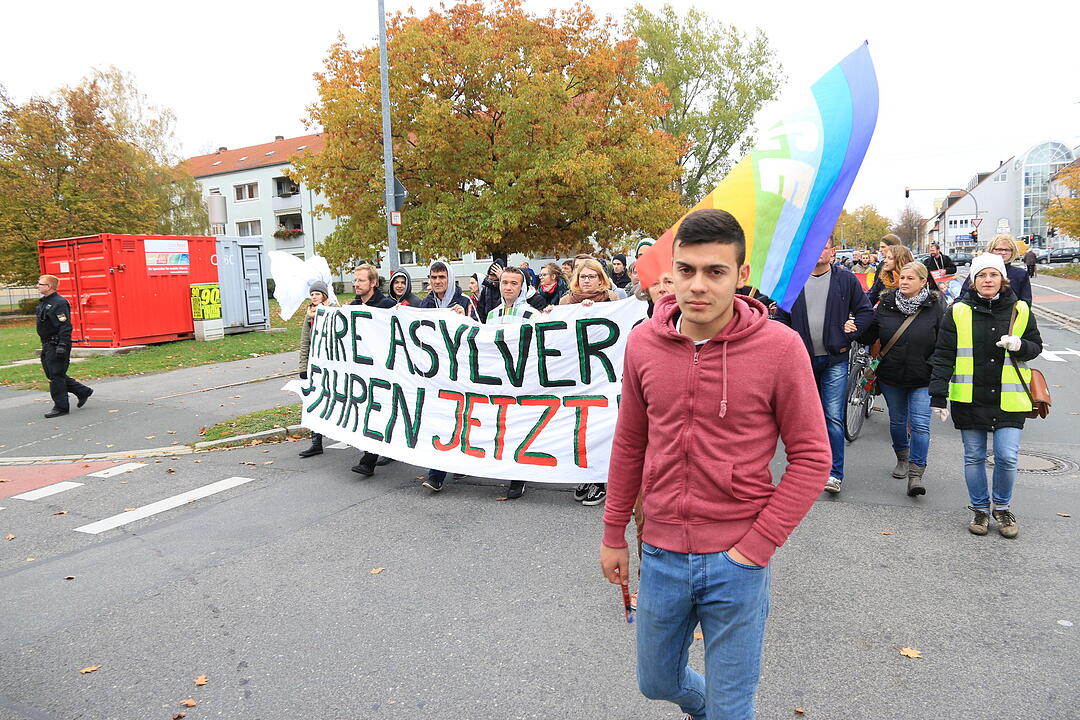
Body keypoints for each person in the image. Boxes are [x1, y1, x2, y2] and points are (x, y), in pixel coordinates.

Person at [600, 209, 830, 720]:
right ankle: (700, 706)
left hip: (738, 560)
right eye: (686, 270)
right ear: (671, 270)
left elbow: (814, 457)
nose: (697, 285)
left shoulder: (779, 348)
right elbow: (630, 442)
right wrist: (614, 530)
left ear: (741, 276)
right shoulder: (642, 343)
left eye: (715, 271)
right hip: (661, 553)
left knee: (733, 709)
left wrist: (756, 547)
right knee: (655, 681)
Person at [929, 252, 1042, 538]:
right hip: (970, 396)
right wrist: (938, 396)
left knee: (1007, 456)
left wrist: (1019, 345)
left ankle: (1002, 508)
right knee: (974, 455)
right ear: (973, 280)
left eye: (993, 274)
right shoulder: (957, 311)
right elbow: (943, 355)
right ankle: (980, 509)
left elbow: (1035, 346)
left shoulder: (1021, 309)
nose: (987, 280)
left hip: (1010, 397)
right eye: (981, 275)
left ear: (1002, 279)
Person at [775, 237, 873, 494]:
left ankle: (834, 473)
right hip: (802, 361)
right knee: (803, 419)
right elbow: (781, 317)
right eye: (813, 246)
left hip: (834, 360)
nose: (818, 251)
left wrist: (850, 333)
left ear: (832, 251)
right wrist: (790, 343)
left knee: (832, 417)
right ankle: (805, 470)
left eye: (823, 246)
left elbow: (865, 312)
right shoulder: (794, 280)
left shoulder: (845, 280)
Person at [856, 262, 944, 495]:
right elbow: (871, 334)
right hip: (891, 375)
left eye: (910, 278)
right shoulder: (886, 303)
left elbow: (944, 343)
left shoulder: (936, 306)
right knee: (897, 421)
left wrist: (934, 368)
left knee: (920, 424)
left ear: (923, 282)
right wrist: (855, 327)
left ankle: (916, 473)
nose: (904, 282)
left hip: (923, 377)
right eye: (902, 278)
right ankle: (902, 457)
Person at [561, 258, 619, 506]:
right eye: (582, 277)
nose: (586, 281)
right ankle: (583, 474)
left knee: (601, 427)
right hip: (577, 375)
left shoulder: (613, 300)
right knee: (579, 426)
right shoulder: (566, 302)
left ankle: (600, 480)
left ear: (600, 279)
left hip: (605, 375)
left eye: (591, 277)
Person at [419, 260, 479, 492]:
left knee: (462, 418)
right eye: (433, 278)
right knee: (440, 420)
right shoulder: (425, 304)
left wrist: (464, 317)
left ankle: (463, 459)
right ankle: (436, 474)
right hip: (436, 373)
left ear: (450, 278)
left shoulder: (465, 302)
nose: (437, 282)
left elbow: (479, 331)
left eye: (441, 277)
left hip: (460, 372)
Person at [484, 266, 543, 500]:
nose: (508, 287)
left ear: (522, 287)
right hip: (498, 379)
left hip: (521, 380)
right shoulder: (491, 315)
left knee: (519, 428)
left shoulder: (532, 315)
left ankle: (518, 477)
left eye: (514, 283)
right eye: (504, 282)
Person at [348, 265, 397, 476]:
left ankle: (369, 460)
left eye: (361, 280)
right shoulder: (353, 305)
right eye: (355, 281)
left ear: (373, 283)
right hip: (363, 370)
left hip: (385, 370)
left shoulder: (387, 305)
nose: (356, 284)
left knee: (378, 412)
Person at [35, 275, 92, 418]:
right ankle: (82, 391)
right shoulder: (44, 302)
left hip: (57, 343)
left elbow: (65, 326)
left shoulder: (59, 303)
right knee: (52, 373)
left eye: (40, 284)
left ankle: (61, 407)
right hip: (47, 343)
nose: (37, 286)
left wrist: (62, 345)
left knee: (56, 376)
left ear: (49, 287)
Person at [297, 281, 337, 458]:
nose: (314, 296)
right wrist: (303, 367)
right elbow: (305, 342)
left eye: (317, 293)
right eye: (312, 294)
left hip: (333, 365)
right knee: (314, 401)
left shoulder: (334, 311)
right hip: (315, 366)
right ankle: (316, 442)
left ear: (325, 296)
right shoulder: (309, 316)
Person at [958, 234, 1032, 306]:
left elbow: (1026, 301)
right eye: (999, 249)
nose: (1003, 253)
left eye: (1007, 250)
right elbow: (963, 297)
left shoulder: (1020, 274)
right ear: (991, 250)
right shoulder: (980, 270)